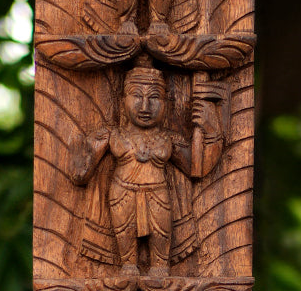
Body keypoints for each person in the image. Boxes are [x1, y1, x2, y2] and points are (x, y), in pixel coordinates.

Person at [68, 61, 225, 270]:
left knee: (161, 259)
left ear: (166, 102)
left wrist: (211, 129)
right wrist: (83, 157)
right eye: (137, 96)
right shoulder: (112, 135)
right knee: (127, 262)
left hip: (158, 195)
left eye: (154, 97)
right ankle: (129, 270)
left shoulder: (169, 139)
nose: (145, 107)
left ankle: (160, 272)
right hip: (122, 194)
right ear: (122, 99)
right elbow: (80, 174)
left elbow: (198, 168)